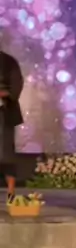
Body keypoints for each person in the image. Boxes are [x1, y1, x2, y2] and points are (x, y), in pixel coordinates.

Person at [0, 49, 24, 202]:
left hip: (4, 113)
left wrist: (4, 94)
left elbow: (16, 85)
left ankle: (10, 192)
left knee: (6, 152)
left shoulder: (8, 62)